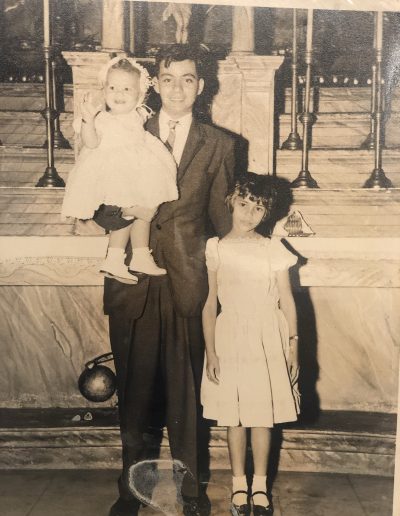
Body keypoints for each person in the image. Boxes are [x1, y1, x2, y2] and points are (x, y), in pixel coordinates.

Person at [104, 44, 235, 516]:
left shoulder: (221, 145)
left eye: (188, 78)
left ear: (201, 86)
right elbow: (100, 202)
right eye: (168, 77)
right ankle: (131, 494)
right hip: (132, 279)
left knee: (187, 398)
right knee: (134, 399)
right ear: (154, 83)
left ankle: (192, 496)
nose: (177, 88)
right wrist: (122, 211)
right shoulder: (124, 130)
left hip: (187, 281)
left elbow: (224, 221)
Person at [201, 173, 300, 516]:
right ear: (231, 202)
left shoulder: (272, 247)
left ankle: (260, 485)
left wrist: (293, 344)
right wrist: (211, 350)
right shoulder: (216, 247)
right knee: (235, 416)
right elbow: (210, 302)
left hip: (266, 335)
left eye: (258, 208)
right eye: (244, 204)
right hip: (230, 336)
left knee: (262, 415)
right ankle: (238, 483)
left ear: (267, 213)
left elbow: (287, 301)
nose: (249, 214)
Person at [61, 56, 178, 282]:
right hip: (113, 175)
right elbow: (91, 142)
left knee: (145, 205)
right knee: (129, 213)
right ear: (104, 91)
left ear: (140, 94)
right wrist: (88, 120)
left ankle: (140, 255)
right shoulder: (103, 119)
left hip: (138, 170)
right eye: (112, 87)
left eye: (127, 88)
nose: (119, 94)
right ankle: (114, 258)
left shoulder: (139, 115)